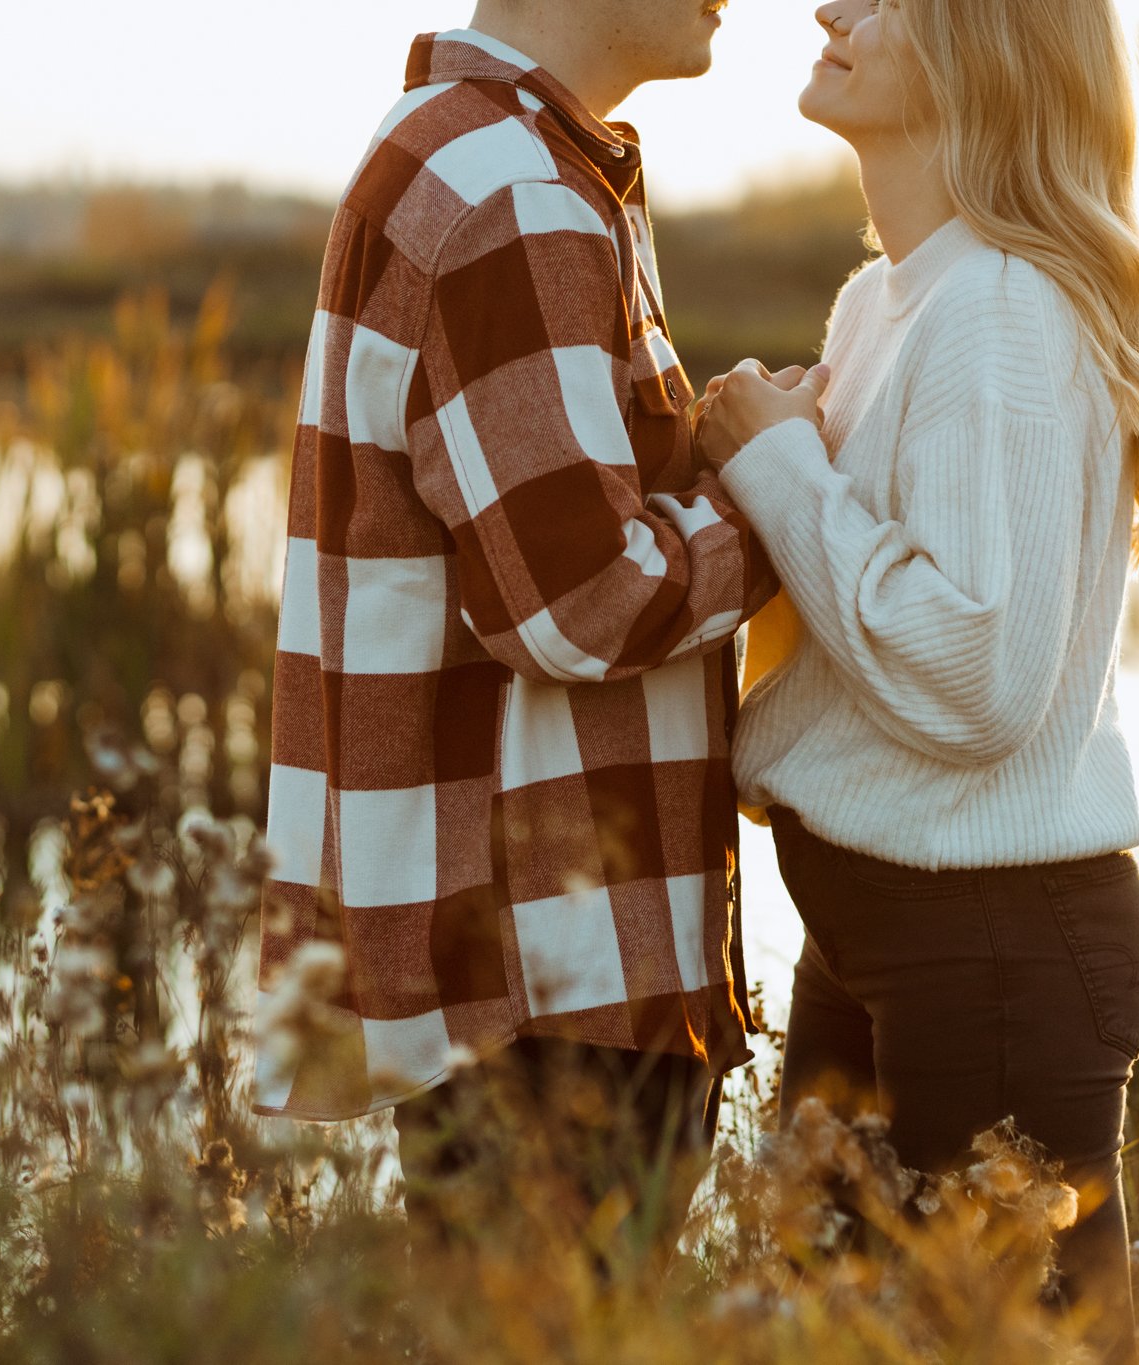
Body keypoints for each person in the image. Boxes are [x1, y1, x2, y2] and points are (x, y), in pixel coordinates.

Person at [696, 0, 1139, 1350]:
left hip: (991, 948)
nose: (827, 7)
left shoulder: (999, 312)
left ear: (980, 54)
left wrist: (779, 467)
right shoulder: (891, 298)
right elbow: (859, 610)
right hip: (890, 923)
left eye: (882, 0)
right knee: (815, 1328)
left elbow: (978, 675)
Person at [251, 0, 782, 1263]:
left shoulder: (498, 159)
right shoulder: (510, 190)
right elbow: (579, 603)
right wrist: (783, 486)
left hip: (531, 968)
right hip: (551, 972)